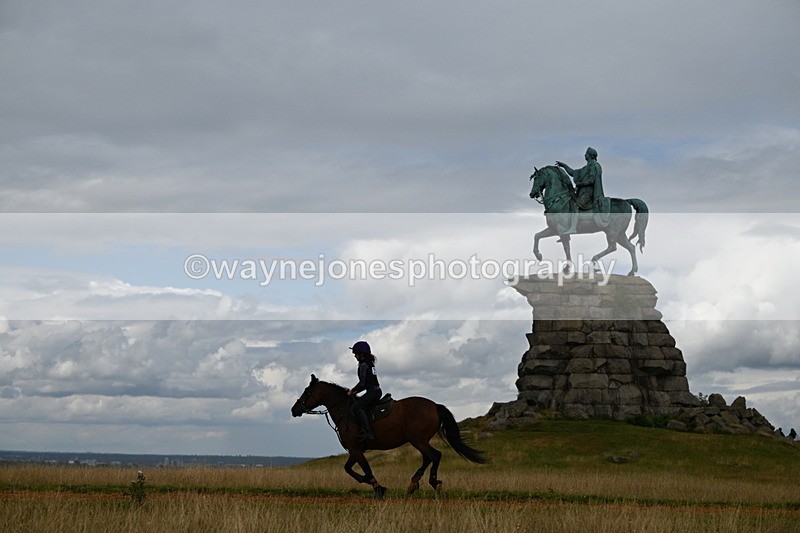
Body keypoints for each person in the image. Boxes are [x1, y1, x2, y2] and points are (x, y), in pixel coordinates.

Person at [555, 147, 607, 233]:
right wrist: (564, 166)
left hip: (589, 193)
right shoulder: (587, 167)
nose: (585, 155)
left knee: (575, 205)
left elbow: (591, 180)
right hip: (583, 192)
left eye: (586, 154)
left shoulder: (594, 166)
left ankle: (573, 228)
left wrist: (580, 184)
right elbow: (573, 172)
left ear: (590, 155)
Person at [347, 340, 382, 441]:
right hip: (376, 391)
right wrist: (356, 391)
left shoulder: (363, 365)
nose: (355, 356)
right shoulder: (370, 363)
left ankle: (367, 432)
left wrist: (352, 390)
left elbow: (362, 383)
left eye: (356, 354)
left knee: (356, 407)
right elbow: (366, 383)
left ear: (361, 354)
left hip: (372, 392)